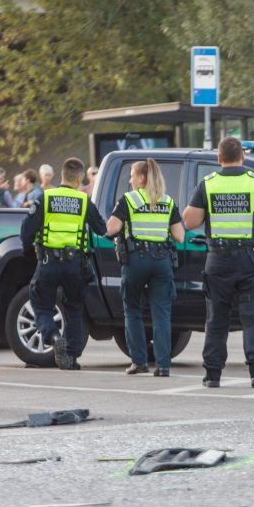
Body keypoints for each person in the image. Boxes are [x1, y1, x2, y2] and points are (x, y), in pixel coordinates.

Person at [182, 137, 254, 389]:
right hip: (249, 258)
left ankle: (213, 375)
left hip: (218, 260)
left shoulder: (208, 184)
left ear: (219, 158)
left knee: (216, 318)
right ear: (243, 156)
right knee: (252, 316)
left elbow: (191, 222)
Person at [21, 157, 106, 370]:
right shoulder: (84, 201)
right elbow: (101, 228)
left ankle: (53, 335)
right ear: (79, 178)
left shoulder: (45, 197)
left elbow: (26, 231)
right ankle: (71, 356)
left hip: (48, 262)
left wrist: (29, 252)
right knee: (75, 307)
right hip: (75, 264)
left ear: (62, 175)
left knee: (41, 303)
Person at [105, 159, 185, 376]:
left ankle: (139, 362)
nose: (129, 180)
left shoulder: (129, 199)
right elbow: (179, 235)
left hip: (136, 261)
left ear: (141, 178)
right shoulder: (167, 201)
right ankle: (163, 366)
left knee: (132, 310)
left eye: (132, 175)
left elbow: (111, 228)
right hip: (162, 262)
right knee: (161, 314)